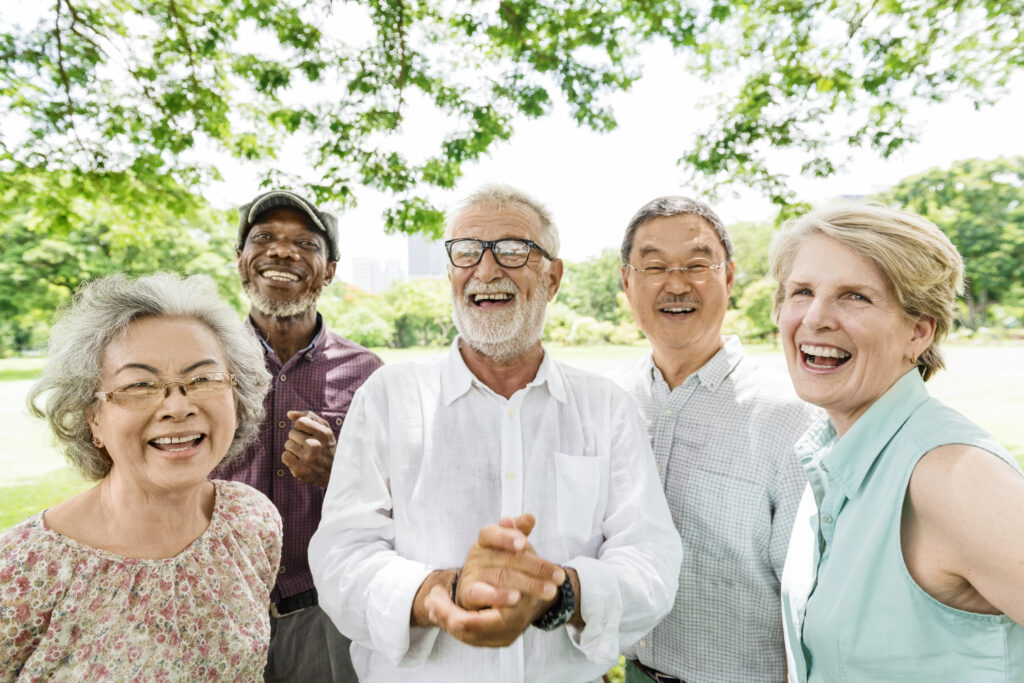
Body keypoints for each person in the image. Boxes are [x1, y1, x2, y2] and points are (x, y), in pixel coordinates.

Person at [309, 184, 682, 682]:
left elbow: (651, 560)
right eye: (467, 252)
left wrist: (559, 592)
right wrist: (440, 594)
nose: (486, 270)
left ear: (552, 278)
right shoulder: (388, 396)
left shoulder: (606, 408)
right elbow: (341, 557)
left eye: (513, 250)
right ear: (449, 274)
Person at [772, 204, 1024, 681]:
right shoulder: (831, 457)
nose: (817, 318)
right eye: (801, 291)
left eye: (855, 297)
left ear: (919, 331)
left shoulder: (951, 475)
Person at [0, 273, 280, 680]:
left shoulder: (251, 520)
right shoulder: (24, 568)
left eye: (203, 379)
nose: (177, 407)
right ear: (92, 417)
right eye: (139, 385)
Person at [612, 196, 820, 683]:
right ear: (627, 282)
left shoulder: (789, 415)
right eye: (655, 266)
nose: (676, 283)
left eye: (697, 264)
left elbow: (808, 598)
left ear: (728, 277)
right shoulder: (610, 403)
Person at [212, 189, 383, 682]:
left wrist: (338, 472)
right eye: (263, 237)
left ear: (329, 269)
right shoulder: (202, 363)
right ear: (240, 260)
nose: (282, 251)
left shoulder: (369, 373)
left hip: (325, 614)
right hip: (218, 607)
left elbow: (401, 504)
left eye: (304, 243)